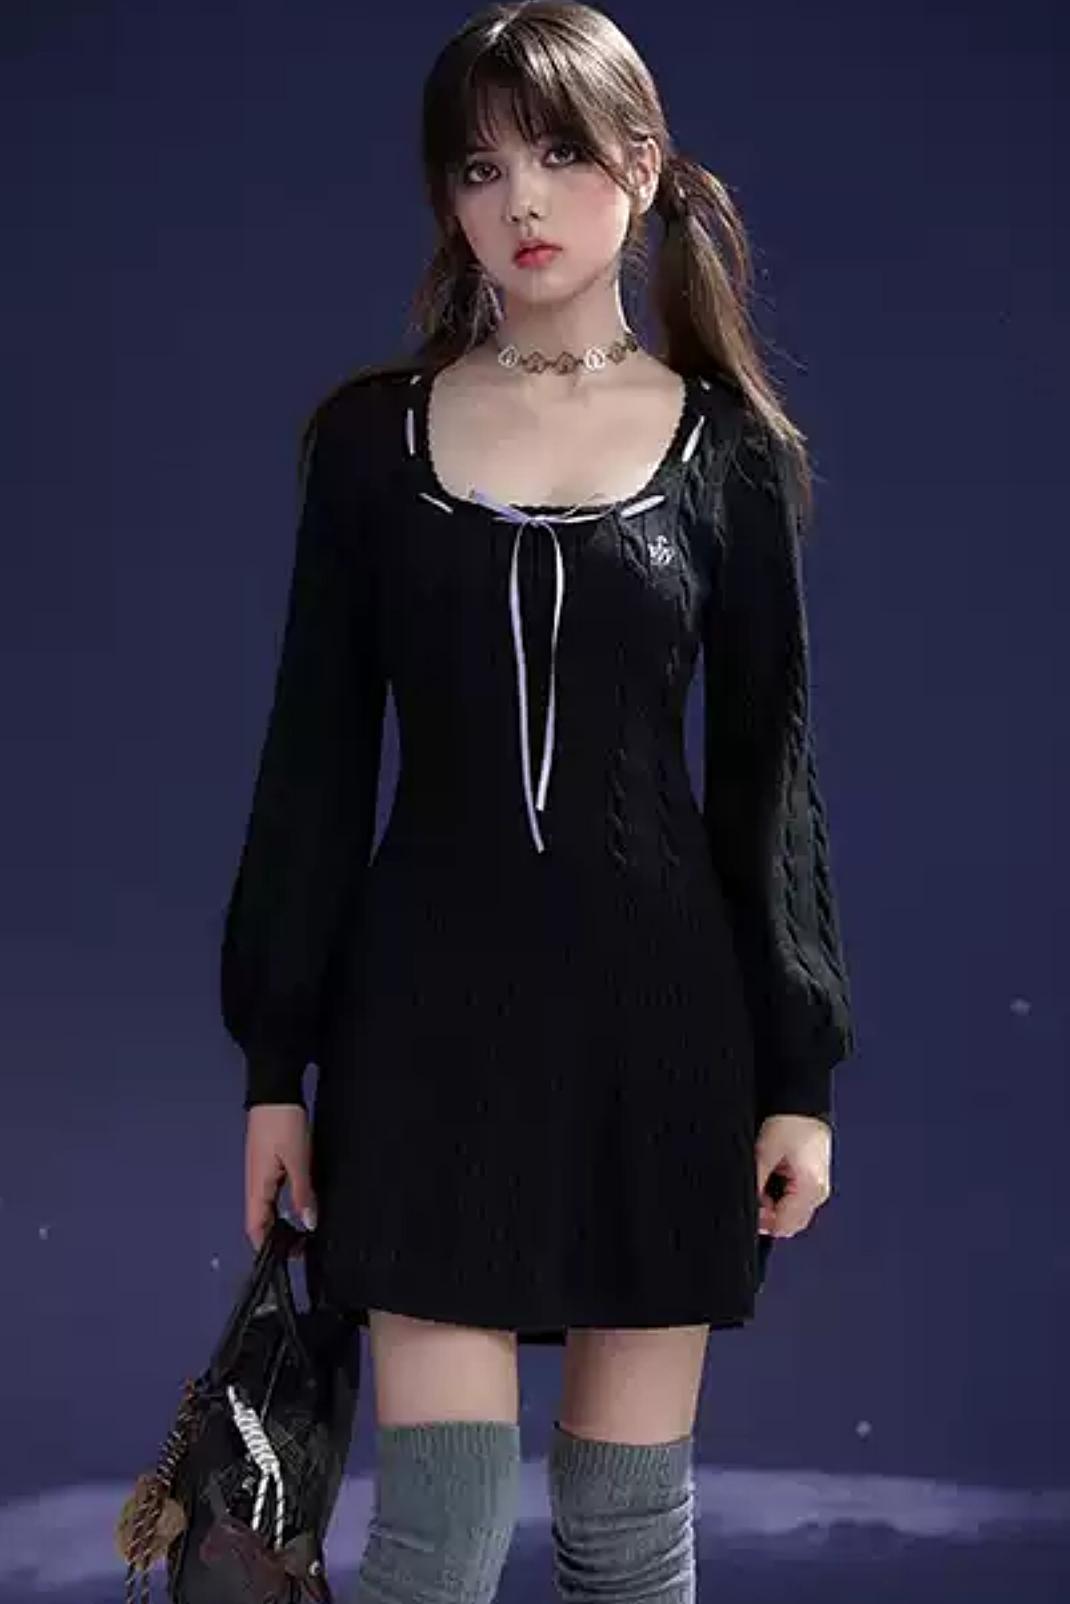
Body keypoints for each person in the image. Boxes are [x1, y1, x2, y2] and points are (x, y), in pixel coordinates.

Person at [219, 2, 856, 1600]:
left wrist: (797, 1079)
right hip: (422, 1029)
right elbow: (311, 761)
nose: (519, 200)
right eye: (478, 167)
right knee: (432, 1544)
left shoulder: (727, 452)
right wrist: (275, 1069)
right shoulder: (368, 443)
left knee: (626, 1542)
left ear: (640, 165)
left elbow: (766, 779)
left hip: (662, 1033)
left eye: (561, 154)